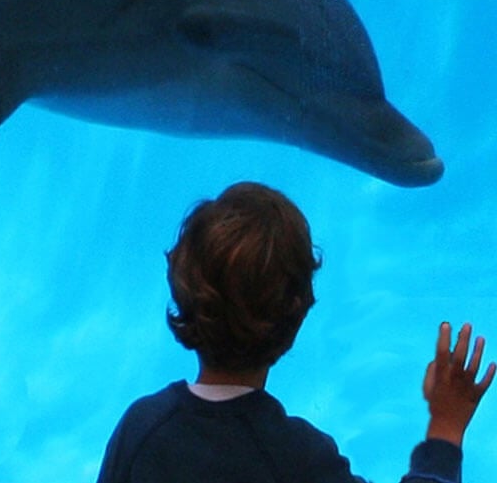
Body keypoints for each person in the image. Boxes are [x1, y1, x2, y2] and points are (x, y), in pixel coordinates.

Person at [96, 182, 495, 482]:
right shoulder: (300, 459)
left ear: (184, 294)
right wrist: (445, 426)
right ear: (297, 314)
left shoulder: (141, 429)